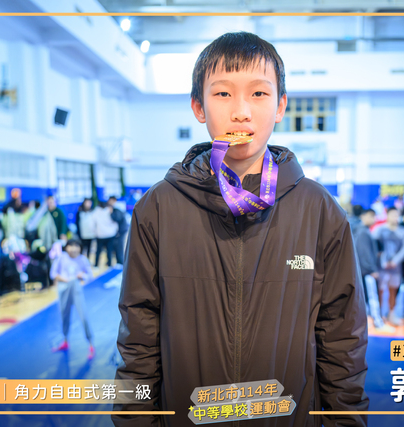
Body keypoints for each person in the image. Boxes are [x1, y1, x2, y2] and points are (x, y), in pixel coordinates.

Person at [113, 32, 368, 427]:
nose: (241, 112)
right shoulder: (158, 209)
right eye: (223, 94)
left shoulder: (319, 210)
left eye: (259, 94)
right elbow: (138, 340)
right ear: (198, 107)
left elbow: (342, 339)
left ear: (280, 106)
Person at [49, 238, 94, 359]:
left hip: (76, 289)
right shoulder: (61, 258)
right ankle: (65, 340)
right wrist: (64, 279)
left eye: (76, 246)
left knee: (83, 315)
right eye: (71, 246)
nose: (73, 249)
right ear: (66, 247)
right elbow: (53, 273)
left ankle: (90, 343)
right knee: (64, 315)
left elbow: (90, 276)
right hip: (63, 289)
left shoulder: (82, 259)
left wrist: (82, 276)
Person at [353, 208, 392, 331]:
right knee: (372, 297)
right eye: (371, 216)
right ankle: (378, 322)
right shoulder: (362, 232)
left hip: (363, 271)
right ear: (363, 216)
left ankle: (370, 321)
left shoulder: (361, 230)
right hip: (367, 272)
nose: (374, 219)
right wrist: (372, 269)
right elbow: (364, 253)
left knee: (367, 298)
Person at [373, 207, 404, 326]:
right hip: (381, 267)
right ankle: (380, 314)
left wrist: (395, 261)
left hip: (395, 268)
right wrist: (382, 261)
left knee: (393, 291)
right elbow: (375, 247)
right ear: (387, 215)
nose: (395, 217)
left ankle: (391, 314)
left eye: (397, 215)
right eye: (392, 215)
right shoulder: (379, 230)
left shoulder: (402, 231)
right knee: (380, 291)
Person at [93, 201, 118, 268]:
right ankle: (109, 264)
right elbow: (114, 222)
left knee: (98, 251)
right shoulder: (109, 210)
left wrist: (95, 232)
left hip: (100, 235)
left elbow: (93, 224)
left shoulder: (95, 212)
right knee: (109, 250)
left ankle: (96, 265)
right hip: (110, 234)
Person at [107, 196, 129, 265]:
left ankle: (121, 262)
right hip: (120, 230)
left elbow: (117, 218)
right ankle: (119, 262)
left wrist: (111, 213)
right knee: (116, 246)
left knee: (119, 247)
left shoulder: (116, 207)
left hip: (121, 230)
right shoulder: (116, 207)